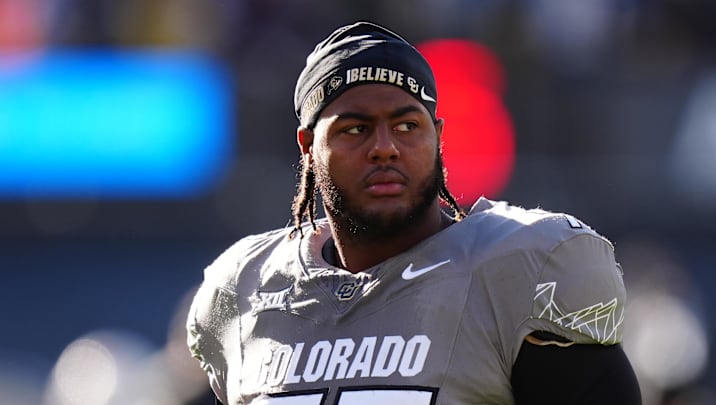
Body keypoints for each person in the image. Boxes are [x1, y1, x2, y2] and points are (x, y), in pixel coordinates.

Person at [186, 21, 641, 405]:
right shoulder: (243, 291)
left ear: (437, 137)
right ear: (308, 147)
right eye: (355, 129)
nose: (385, 148)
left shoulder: (523, 267)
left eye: (407, 125)